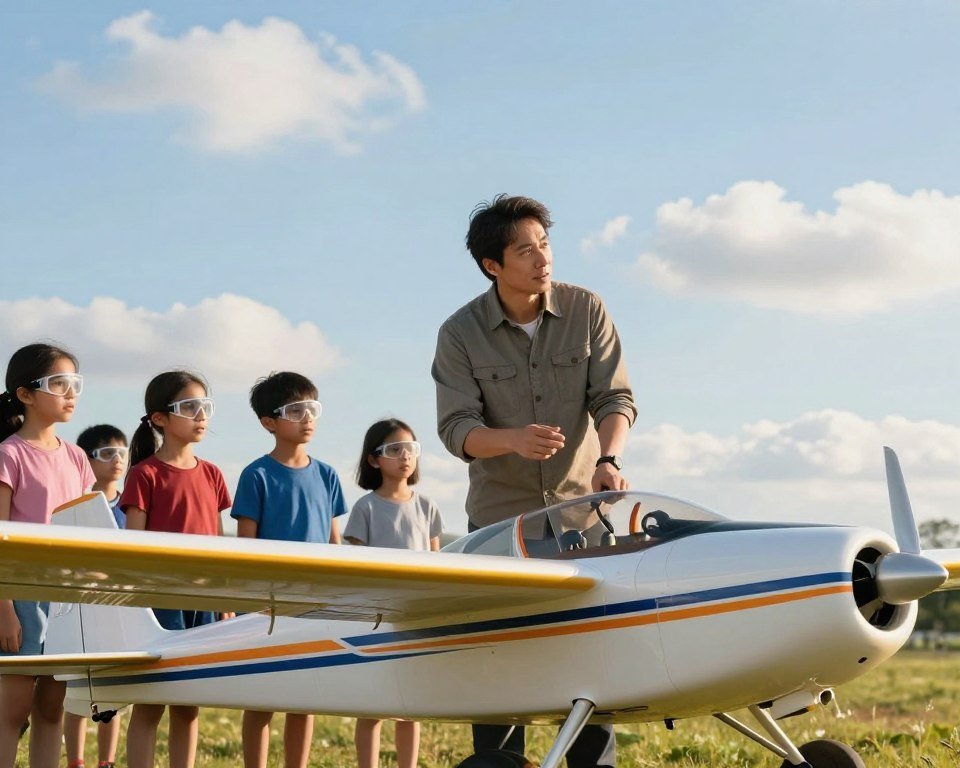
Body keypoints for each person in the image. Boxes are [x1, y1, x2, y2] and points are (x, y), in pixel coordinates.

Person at [432, 195, 636, 768]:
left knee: (588, 653)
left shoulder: (586, 308)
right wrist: (513, 440)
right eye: (525, 250)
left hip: (581, 517)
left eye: (544, 245)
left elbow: (614, 398)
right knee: (500, 656)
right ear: (492, 265)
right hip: (500, 523)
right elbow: (456, 428)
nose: (542, 259)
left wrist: (609, 459)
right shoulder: (459, 333)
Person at [231, 371, 347, 768]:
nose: (307, 417)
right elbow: (245, 548)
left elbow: (334, 544)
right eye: (296, 411)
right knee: (261, 698)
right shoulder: (257, 475)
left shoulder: (328, 475)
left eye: (312, 409)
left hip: (315, 605)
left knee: (305, 696)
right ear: (269, 422)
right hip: (265, 607)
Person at [119, 370, 232, 768]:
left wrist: (224, 598)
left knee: (189, 703)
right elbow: (133, 549)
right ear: (160, 418)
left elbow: (219, 544)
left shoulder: (213, 474)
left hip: (204, 600)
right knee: (151, 700)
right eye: (189, 407)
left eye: (205, 407)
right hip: (159, 600)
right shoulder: (144, 474)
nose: (201, 416)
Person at [0, 342, 95, 768]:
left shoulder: (77, 458)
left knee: (53, 709)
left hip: (67, 600)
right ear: (25, 393)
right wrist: (4, 609)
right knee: (12, 711)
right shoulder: (8, 455)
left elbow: (88, 532)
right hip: (19, 598)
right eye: (59, 383)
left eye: (75, 383)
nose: (71, 393)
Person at [344, 418, 443, 768]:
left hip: (415, 617)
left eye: (411, 449)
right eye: (395, 449)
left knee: (409, 705)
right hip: (376, 618)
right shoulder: (366, 508)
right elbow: (355, 567)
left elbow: (436, 563)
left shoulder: (427, 507)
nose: (405, 456)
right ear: (374, 459)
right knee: (372, 705)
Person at [63, 424, 128, 768]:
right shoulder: (76, 504)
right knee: (76, 689)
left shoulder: (130, 507)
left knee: (111, 690)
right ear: (87, 460)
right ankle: (75, 759)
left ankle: (107, 761)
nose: (117, 460)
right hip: (80, 607)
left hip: (116, 608)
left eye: (121, 452)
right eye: (106, 453)